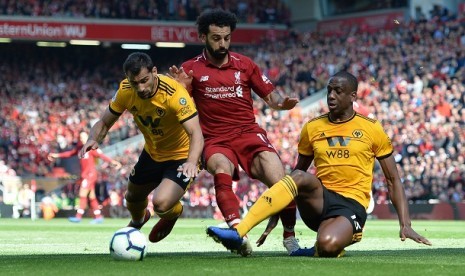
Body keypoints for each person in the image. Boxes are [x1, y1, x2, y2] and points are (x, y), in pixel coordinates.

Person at [206, 71, 432, 257]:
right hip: (319, 200)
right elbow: (296, 175)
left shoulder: (372, 128)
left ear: (353, 96)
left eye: (338, 91)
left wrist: (405, 223)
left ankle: (330, 240)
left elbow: (393, 179)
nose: (331, 96)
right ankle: (239, 232)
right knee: (299, 176)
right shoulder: (312, 127)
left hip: (351, 205)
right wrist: (275, 208)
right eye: (329, 90)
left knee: (327, 246)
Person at [169, 8, 303, 256]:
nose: (223, 43)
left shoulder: (245, 64)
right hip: (215, 139)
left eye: (227, 38)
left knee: (281, 180)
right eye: (216, 38)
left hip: (248, 134)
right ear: (202, 38)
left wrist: (281, 104)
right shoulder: (190, 69)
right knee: (221, 169)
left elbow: (270, 97)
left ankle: (290, 237)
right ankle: (238, 233)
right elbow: (178, 108)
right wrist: (180, 90)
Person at [78, 52, 203, 243]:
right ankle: (138, 220)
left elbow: (196, 133)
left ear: (154, 72)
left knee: (161, 204)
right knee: (133, 197)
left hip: (181, 156)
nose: (141, 87)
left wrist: (192, 162)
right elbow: (104, 121)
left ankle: (173, 213)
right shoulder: (126, 90)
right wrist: (93, 139)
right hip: (153, 153)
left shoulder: (174, 93)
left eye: (144, 80)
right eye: (135, 82)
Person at [48, 132, 122, 223]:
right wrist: (57, 155)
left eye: (83, 137)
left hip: (90, 175)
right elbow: (70, 153)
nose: (82, 139)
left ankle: (78, 216)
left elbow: (101, 156)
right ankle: (98, 217)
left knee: (82, 194)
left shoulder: (91, 148)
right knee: (92, 196)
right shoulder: (80, 148)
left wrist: (112, 162)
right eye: (80, 137)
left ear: (88, 137)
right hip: (85, 175)